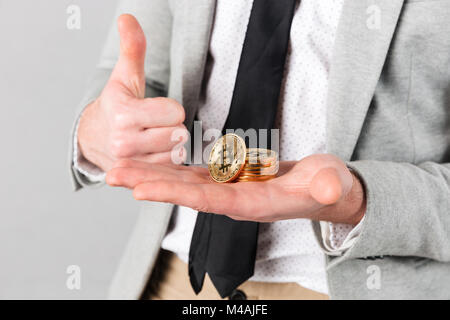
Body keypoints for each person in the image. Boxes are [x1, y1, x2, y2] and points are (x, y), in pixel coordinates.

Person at [70, 0, 450, 300]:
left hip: (354, 284)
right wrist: (99, 131)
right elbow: (132, 71)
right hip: (173, 278)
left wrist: (361, 199)